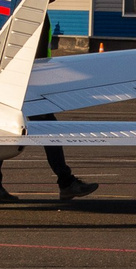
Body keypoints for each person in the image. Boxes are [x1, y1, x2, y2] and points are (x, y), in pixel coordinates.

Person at [0, 15, 98, 203]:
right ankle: (66, 182)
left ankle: (66, 181)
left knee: (8, 129)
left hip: (27, 81)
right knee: (46, 130)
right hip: (28, 83)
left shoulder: (29, 8)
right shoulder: (30, 9)